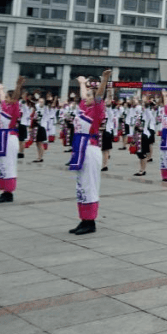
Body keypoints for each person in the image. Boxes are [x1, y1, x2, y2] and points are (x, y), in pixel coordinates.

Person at [69, 71, 110, 234]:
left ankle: (90, 221)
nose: (85, 97)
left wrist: (104, 80)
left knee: (90, 185)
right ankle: (83, 219)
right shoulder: (83, 109)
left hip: (90, 150)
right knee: (81, 186)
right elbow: (84, 94)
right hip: (80, 150)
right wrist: (81, 83)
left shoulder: (97, 110)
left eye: (89, 95)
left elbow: (99, 95)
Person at [0, 77, 25, 203]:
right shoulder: (4, 106)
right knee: (2, 166)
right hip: (3, 139)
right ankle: (5, 191)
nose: (4, 100)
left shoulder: (14, 108)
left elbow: (16, 96)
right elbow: (1, 98)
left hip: (10, 139)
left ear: (12, 99)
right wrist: (0, 89)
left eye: (7, 98)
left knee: (9, 165)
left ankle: (9, 193)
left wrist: (17, 86)